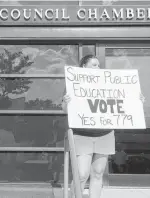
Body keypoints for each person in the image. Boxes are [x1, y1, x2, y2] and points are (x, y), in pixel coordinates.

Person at [62, 54, 145, 198]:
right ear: (83, 66)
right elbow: (65, 110)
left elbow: (125, 99)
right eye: (94, 64)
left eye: (99, 65)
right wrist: (65, 101)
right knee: (81, 174)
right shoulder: (73, 83)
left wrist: (137, 101)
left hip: (105, 134)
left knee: (98, 172)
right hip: (82, 135)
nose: (98, 67)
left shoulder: (108, 84)